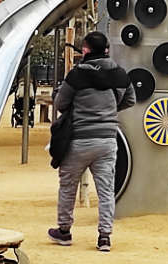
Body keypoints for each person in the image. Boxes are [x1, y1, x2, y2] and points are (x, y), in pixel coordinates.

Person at [48, 31, 135, 252]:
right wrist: (110, 110)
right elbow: (131, 99)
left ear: (85, 49)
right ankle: (104, 237)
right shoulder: (119, 74)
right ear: (107, 49)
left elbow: (61, 103)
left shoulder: (76, 75)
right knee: (106, 189)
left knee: (68, 186)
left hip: (78, 139)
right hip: (107, 139)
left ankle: (64, 231)